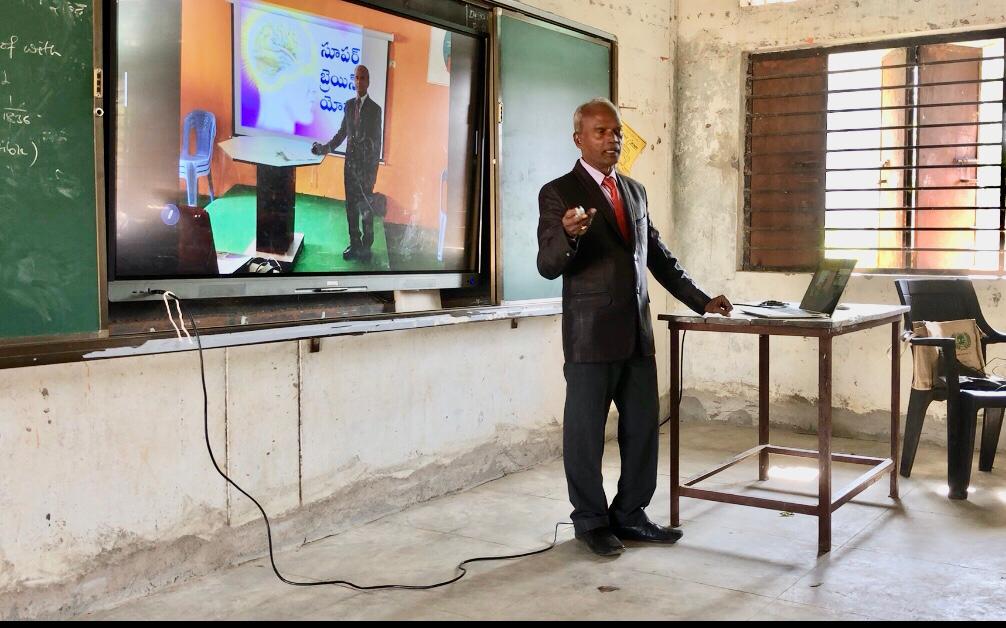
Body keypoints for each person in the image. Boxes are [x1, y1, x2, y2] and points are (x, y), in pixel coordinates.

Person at [537, 98, 733, 557]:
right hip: (590, 336)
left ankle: (631, 515)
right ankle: (591, 521)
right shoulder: (559, 193)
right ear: (579, 139)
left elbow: (658, 258)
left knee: (643, 428)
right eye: (602, 133)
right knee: (584, 435)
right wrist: (569, 234)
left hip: (636, 335)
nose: (613, 140)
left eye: (617, 132)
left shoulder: (635, 192)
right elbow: (547, 264)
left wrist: (702, 300)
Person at [311, 65, 383, 262]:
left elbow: (376, 144)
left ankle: (366, 248)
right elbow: (342, 133)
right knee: (350, 208)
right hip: (349, 167)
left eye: (363, 78)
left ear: (368, 82)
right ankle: (355, 243)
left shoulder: (375, 110)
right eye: (356, 78)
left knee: (366, 210)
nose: (359, 81)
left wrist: (373, 174)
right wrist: (325, 148)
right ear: (354, 80)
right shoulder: (349, 105)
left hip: (365, 171)